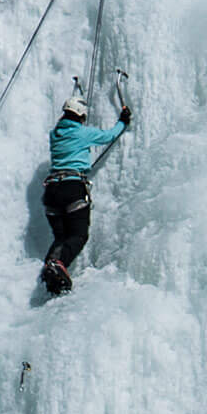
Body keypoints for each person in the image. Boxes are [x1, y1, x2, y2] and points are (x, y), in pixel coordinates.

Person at [40, 87, 131, 296]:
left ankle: (50, 269)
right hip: (72, 189)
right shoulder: (82, 133)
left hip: (51, 192)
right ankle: (56, 265)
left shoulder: (55, 134)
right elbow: (109, 135)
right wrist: (123, 121)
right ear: (80, 115)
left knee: (61, 237)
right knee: (78, 235)